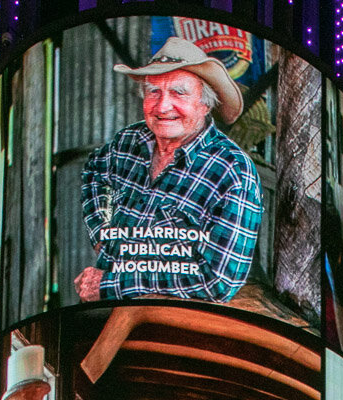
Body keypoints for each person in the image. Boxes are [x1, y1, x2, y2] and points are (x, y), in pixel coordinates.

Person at [76, 36, 263, 304]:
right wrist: (101, 235)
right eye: (154, 92)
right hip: (109, 311)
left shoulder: (232, 171)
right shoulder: (129, 140)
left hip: (180, 330)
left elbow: (218, 281)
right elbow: (93, 174)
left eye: (178, 92)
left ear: (205, 103)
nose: (163, 106)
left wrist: (110, 284)